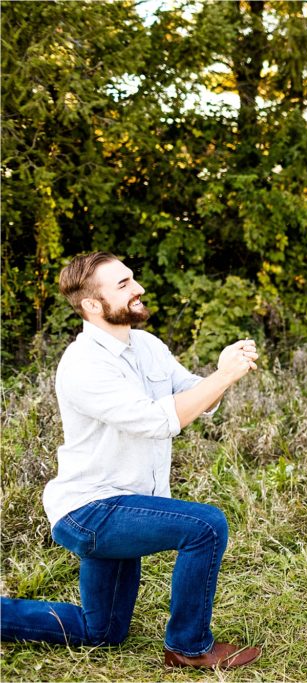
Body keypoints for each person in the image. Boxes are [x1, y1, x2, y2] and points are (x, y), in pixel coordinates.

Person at [1, 252, 263, 669]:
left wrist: (219, 371)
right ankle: (188, 648)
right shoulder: (84, 365)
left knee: (101, 632)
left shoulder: (147, 345)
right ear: (91, 304)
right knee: (205, 526)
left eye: (132, 278)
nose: (137, 287)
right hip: (91, 510)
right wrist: (224, 377)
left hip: (128, 503)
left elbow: (194, 396)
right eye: (122, 284)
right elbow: (158, 420)